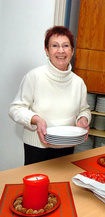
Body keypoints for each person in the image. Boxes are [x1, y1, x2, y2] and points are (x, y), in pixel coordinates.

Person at [9, 26, 91, 165]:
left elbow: (84, 109)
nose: (61, 51)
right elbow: (15, 109)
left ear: (72, 51)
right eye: (55, 46)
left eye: (66, 46)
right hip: (37, 148)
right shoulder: (34, 76)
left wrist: (83, 119)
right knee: (37, 186)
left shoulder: (78, 83)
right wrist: (36, 119)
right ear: (47, 51)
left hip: (67, 148)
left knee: (63, 186)